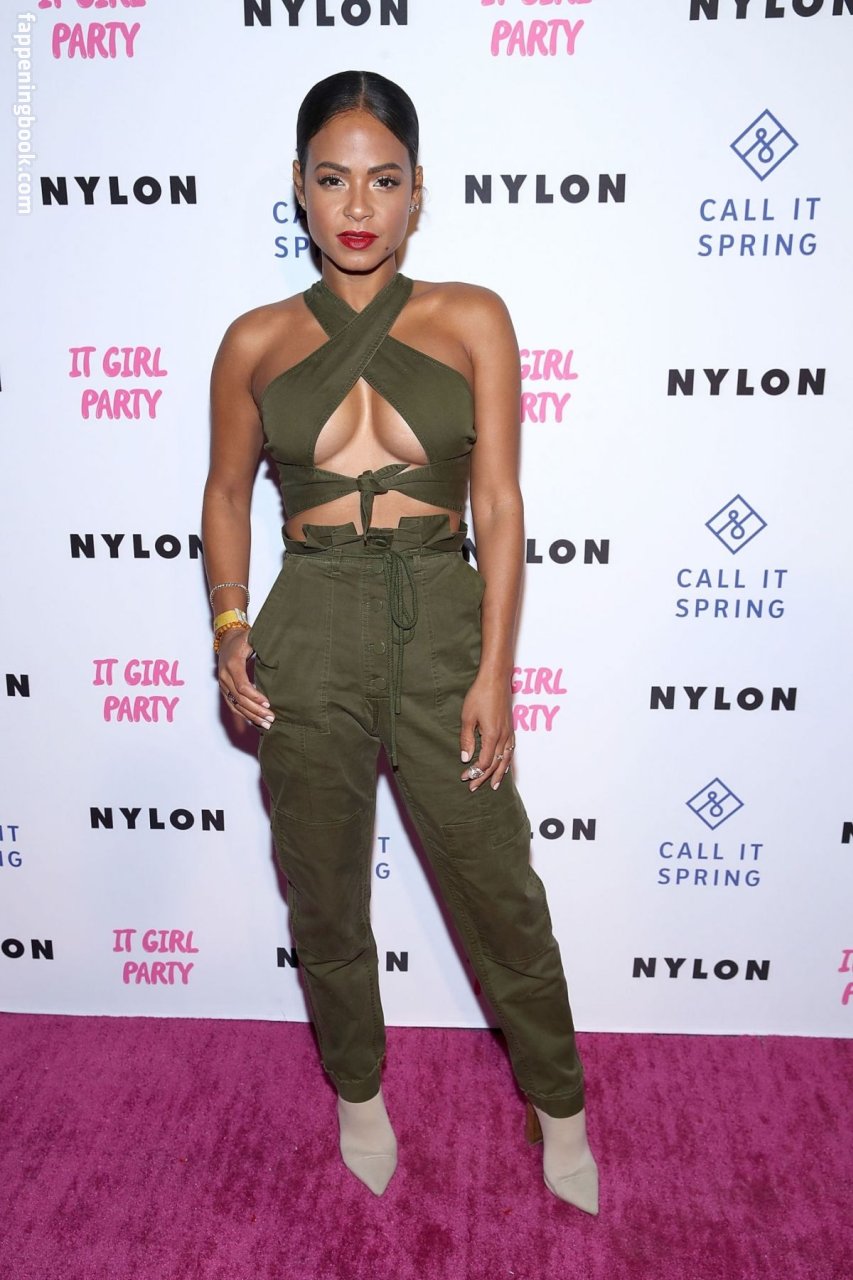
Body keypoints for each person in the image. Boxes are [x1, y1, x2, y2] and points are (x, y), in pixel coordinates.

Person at [201, 69, 599, 1213]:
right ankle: (359, 1095)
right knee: (323, 890)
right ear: (299, 187)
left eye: (384, 180)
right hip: (309, 621)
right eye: (333, 179)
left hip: (439, 616)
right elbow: (225, 493)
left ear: (418, 191)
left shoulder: (470, 317)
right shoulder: (255, 339)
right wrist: (230, 622)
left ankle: (560, 1105)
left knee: (497, 886)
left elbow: (501, 505)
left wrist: (494, 672)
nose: (358, 205)